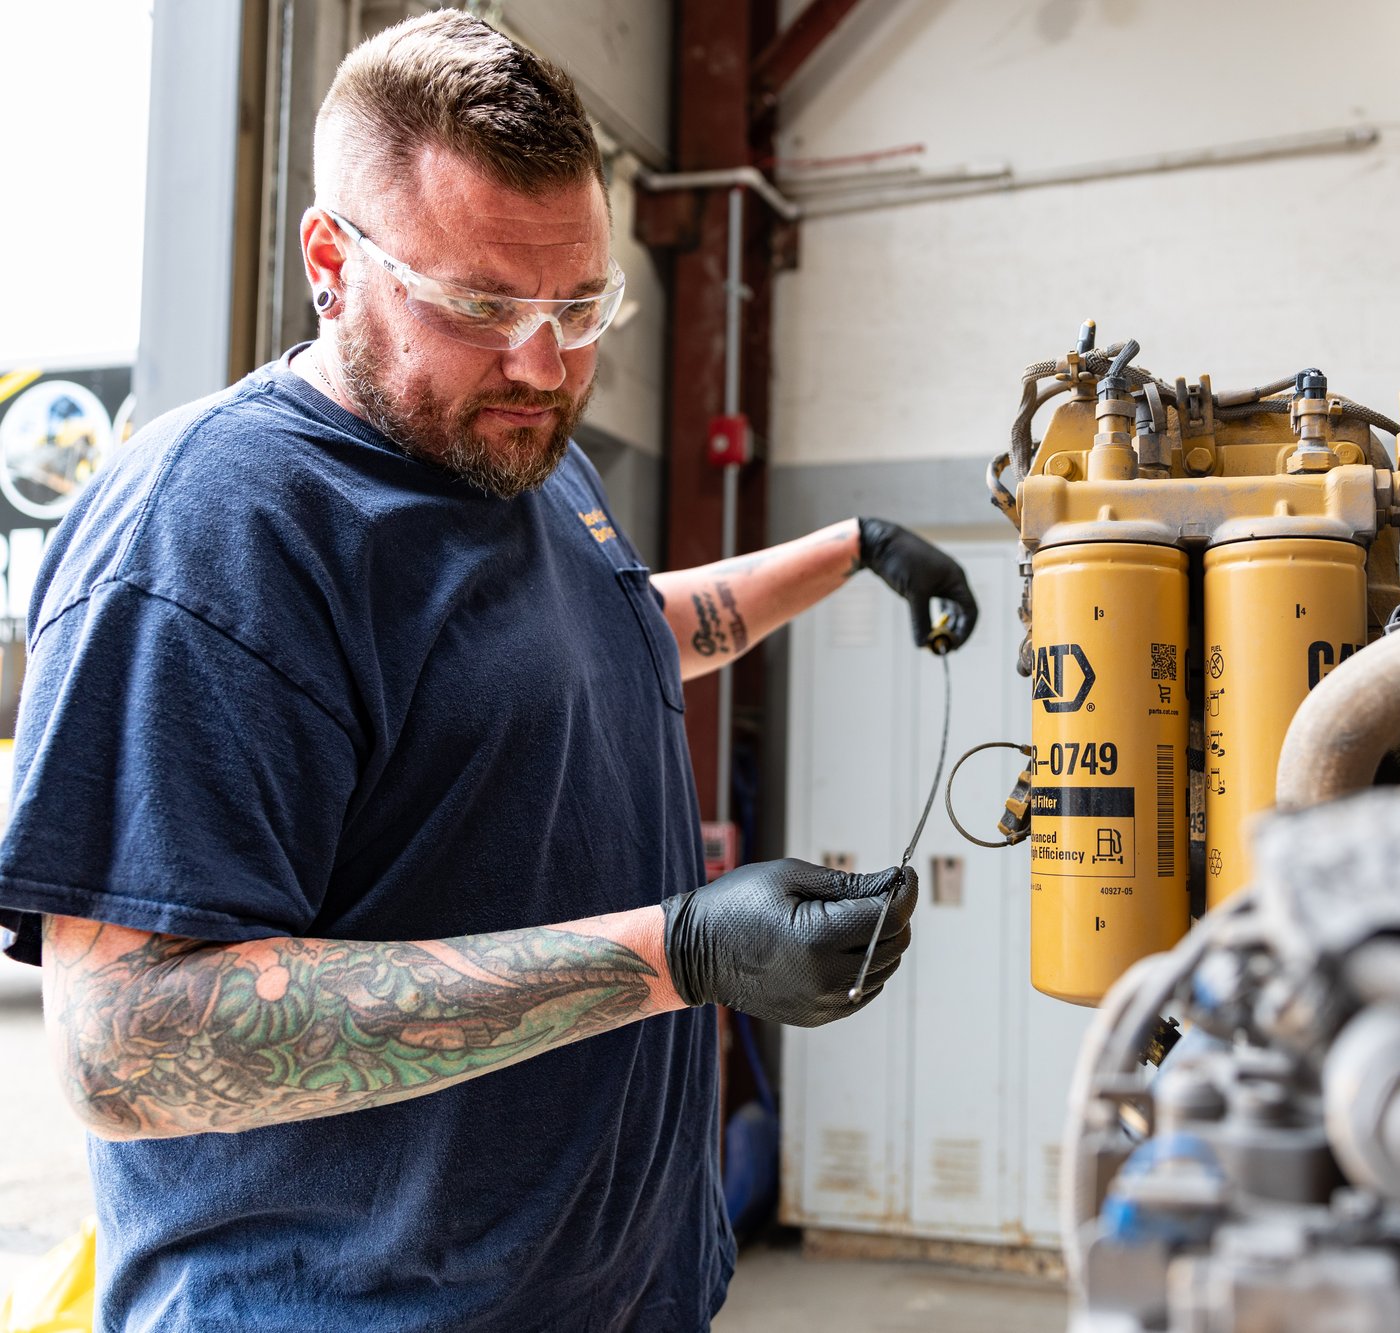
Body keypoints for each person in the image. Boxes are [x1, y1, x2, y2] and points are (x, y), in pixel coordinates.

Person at [0, 11, 976, 1331]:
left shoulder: (519, 454)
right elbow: (131, 1050)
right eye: (480, 304)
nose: (545, 360)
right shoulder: (216, 534)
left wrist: (853, 551)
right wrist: (676, 951)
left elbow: (617, 637)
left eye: (580, 305)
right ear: (331, 262)